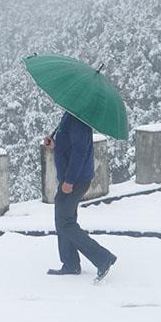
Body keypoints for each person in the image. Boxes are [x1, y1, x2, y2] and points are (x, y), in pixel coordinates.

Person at [44, 110, 117, 280]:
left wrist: (69, 181)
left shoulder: (79, 120)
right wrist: (54, 144)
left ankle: (102, 258)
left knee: (64, 222)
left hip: (74, 180)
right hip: (70, 178)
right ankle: (70, 263)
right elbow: (68, 144)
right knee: (65, 220)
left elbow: (79, 152)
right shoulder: (70, 114)